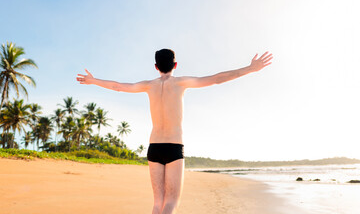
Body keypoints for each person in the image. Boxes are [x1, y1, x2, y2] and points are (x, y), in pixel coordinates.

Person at [76, 49, 273, 214]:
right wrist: (250, 69)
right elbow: (216, 79)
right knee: (170, 203)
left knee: (157, 203)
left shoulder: (148, 85)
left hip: (154, 147)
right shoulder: (180, 83)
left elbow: (117, 87)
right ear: (175, 65)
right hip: (173, 147)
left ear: (156, 66)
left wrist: (93, 81)